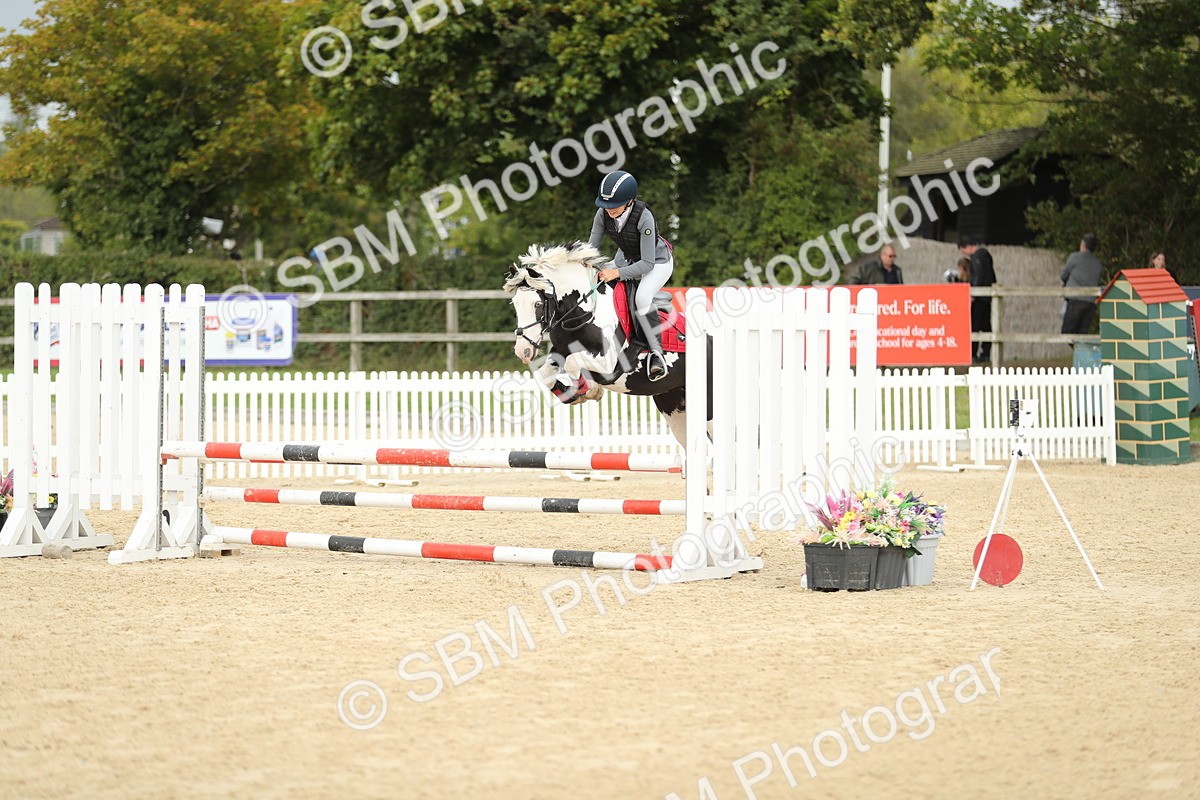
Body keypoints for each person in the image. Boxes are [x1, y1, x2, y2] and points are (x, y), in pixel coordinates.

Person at [588, 170, 674, 381]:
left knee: (642, 297)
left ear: (630, 201)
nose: (608, 210)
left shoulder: (644, 218)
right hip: (627, 257)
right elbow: (591, 249)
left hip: (657, 262)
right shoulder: (602, 213)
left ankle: (657, 354)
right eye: (605, 205)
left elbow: (646, 264)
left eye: (613, 205)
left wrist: (615, 272)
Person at [958, 237, 996, 364]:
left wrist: (973, 292)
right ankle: (985, 353)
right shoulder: (986, 256)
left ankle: (972, 353)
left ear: (968, 247)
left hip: (980, 298)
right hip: (988, 297)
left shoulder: (977, 258)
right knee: (986, 326)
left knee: (974, 325)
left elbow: (978, 275)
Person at [1061, 233, 1104, 335]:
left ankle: (1079, 350)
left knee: (1067, 332)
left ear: (1083, 245)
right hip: (1090, 303)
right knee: (1082, 334)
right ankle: (1079, 350)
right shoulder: (1098, 264)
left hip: (1075, 300)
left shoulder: (1074, 257)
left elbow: (1063, 276)